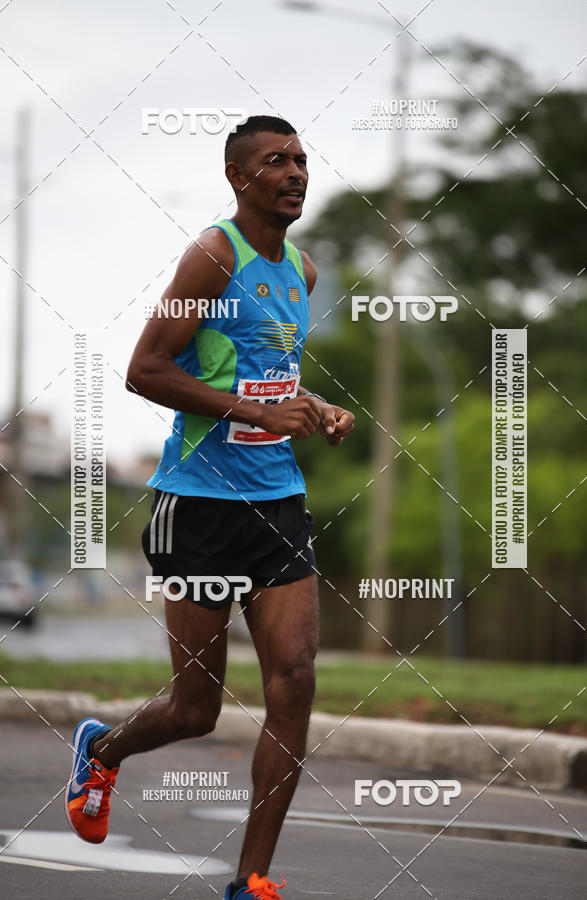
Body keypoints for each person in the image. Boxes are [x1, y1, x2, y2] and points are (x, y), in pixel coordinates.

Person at [64, 115, 355, 899]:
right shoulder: (211, 256)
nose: (295, 172)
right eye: (276, 161)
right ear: (238, 177)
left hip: (278, 504)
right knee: (197, 708)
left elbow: (265, 374)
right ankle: (103, 751)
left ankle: (250, 882)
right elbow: (146, 370)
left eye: (301, 159)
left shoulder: (303, 269)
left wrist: (312, 405)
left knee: (293, 681)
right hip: (197, 505)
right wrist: (254, 414)